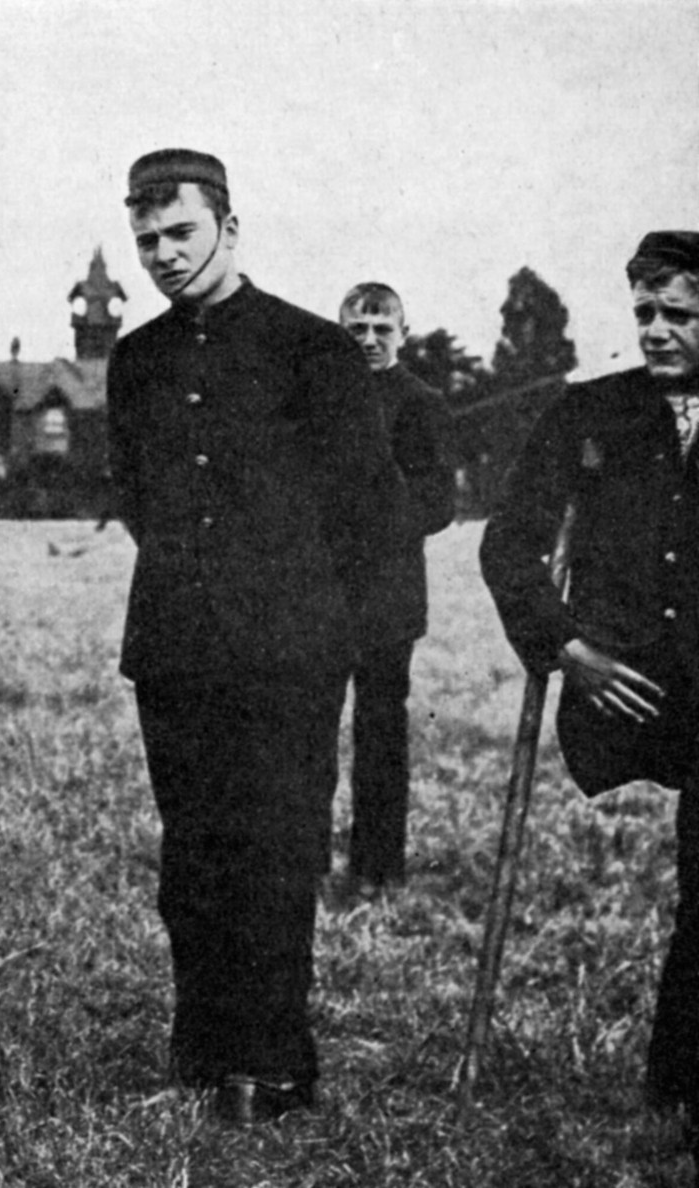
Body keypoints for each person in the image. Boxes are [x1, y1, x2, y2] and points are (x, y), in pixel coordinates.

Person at [105, 149, 400, 1123]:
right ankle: (202, 1046)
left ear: (229, 227)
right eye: (145, 238)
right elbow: (141, 498)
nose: (161, 254)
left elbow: (367, 513)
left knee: (275, 855)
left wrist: (314, 633)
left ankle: (272, 1063)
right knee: (192, 858)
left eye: (180, 232)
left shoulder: (315, 351)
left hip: (288, 657)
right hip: (175, 650)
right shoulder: (134, 360)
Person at [481, 230, 699, 1162]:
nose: (654, 332)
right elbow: (510, 545)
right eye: (644, 313)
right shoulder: (591, 412)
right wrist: (567, 650)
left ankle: (682, 1079)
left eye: (678, 314)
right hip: (617, 688)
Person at [335, 283, 456, 894]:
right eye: (357, 328)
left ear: (403, 334)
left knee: (380, 732)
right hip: (320, 593)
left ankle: (377, 869)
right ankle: (301, 864)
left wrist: (381, 511)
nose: (369, 339)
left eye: (382, 328)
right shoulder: (319, 401)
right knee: (306, 733)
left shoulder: (423, 402)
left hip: (388, 596)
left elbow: (439, 503)